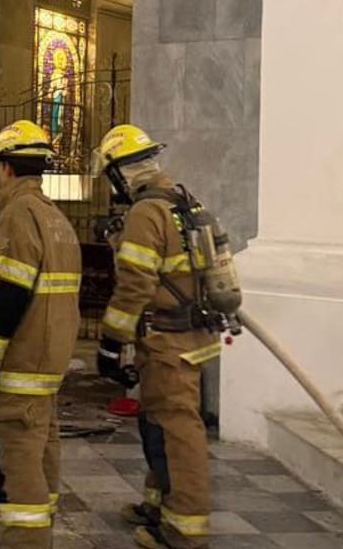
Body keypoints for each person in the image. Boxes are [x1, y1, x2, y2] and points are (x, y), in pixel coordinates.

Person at [88, 125, 221, 549]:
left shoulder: (148, 211)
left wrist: (111, 341)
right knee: (158, 422)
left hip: (168, 342)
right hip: (190, 335)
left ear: (120, 174)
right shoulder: (184, 200)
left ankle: (184, 530)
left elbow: (135, 286)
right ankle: (158, 504)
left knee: (179, 431)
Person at [0, 120, 81, 549]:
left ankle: (25, 543)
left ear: (6, 168)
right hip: (47, 364)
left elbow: (10, 291)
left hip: (20, 364)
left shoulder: (17, 215)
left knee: (16, 458)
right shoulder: (56, 218)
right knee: (43, 448)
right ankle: (37, 536)